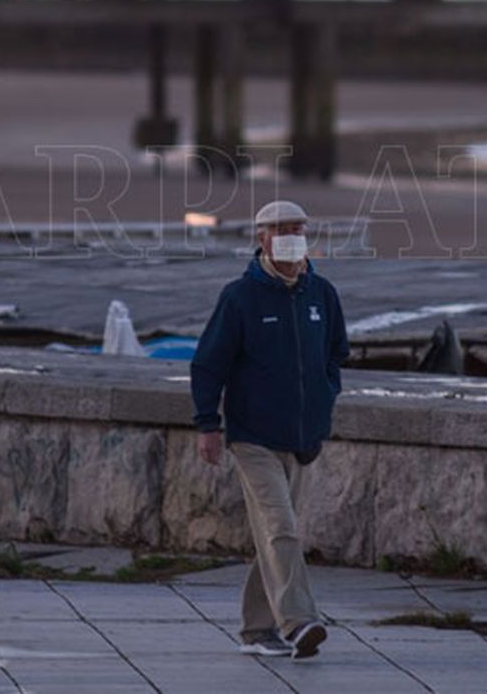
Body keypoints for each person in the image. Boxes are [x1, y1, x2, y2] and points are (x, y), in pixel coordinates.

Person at [190, 199, 349, 660]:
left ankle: (257, 630)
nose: (292, 235)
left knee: (273, 535)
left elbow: (336, 354)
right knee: (282, 528)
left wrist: (325, 395)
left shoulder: (322, 294)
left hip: (303, 439)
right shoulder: (239, 298)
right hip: (252, 436)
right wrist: (208, 426)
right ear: (261, 237)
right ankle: (300, 623)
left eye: (298, 227)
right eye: (282, 228)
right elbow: (207, 365)